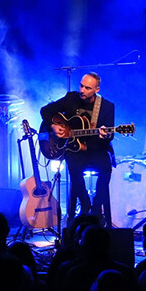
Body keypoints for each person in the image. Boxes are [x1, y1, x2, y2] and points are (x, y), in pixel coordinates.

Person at [40, 72, 115, 227]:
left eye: (87, 88)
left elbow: (110, 135)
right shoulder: (71, 98)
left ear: (97, 89)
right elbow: (45, 110)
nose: (82, 90)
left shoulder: (107, 106)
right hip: (74, 149)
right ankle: (85, 203)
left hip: (96, 148)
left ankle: (96, 207)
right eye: (81, 86)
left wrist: (105, 135)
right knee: (74, 166)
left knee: (106, 168)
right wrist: (54, 126)